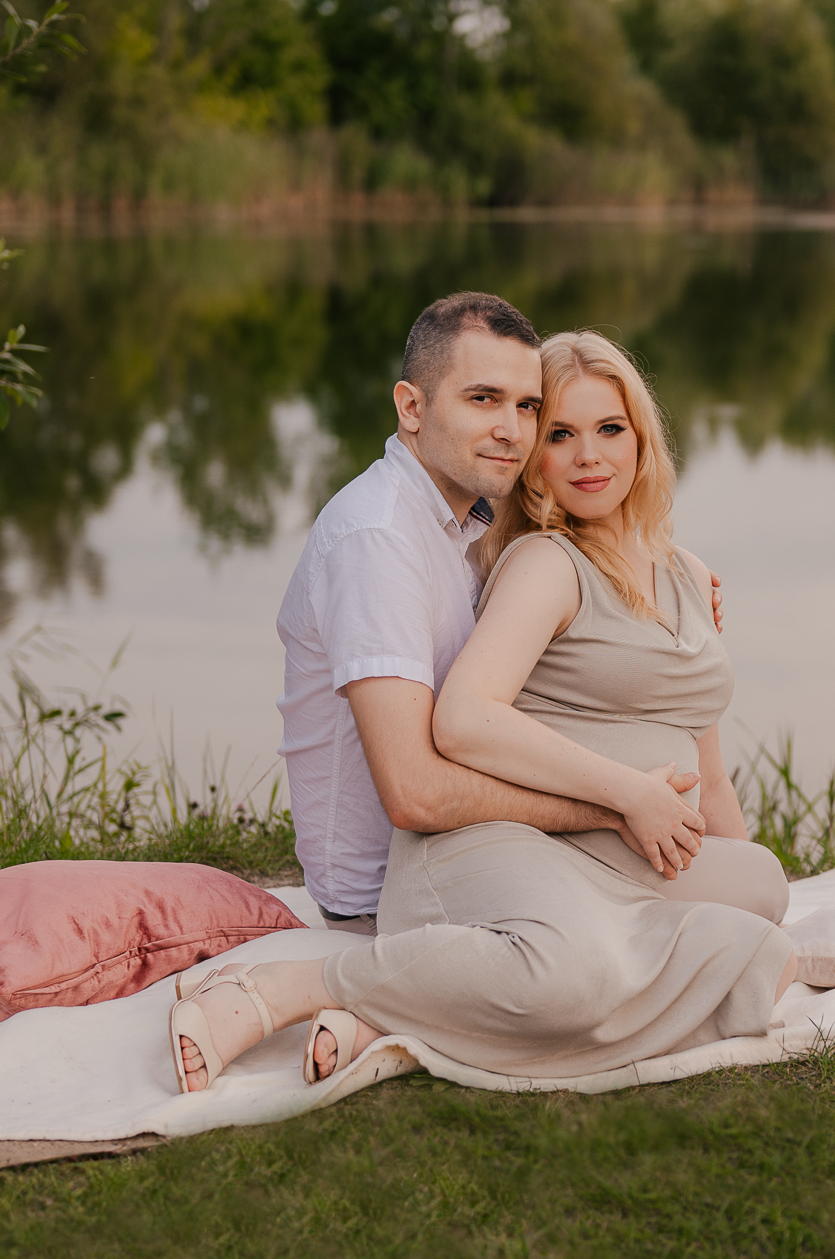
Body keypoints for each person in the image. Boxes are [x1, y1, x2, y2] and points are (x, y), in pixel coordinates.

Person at [172, 329, 793, 1088]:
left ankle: (402, 1011)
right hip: (510, 841)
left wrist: (712, 854)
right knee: (577, 975)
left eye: (609, 428)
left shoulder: (685, 575)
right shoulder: (541, 562)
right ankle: (302, 987)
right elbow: (461, 721)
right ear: (536, 460)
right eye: (559, 434)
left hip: (617, 852)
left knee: (761, 900)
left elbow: (710, 773)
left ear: (643, 438)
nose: (588, 456)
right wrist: (628, 795)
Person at [272, 292, 723, 937]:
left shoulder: (472, 524)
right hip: (391, 894)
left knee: (740, 911)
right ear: (411, 407)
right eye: (483, 399)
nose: (512, 430)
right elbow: (415, 794)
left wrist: (672, 592)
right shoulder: (377, 540)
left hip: (506, 854)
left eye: (527, 406)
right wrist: (617, 804)